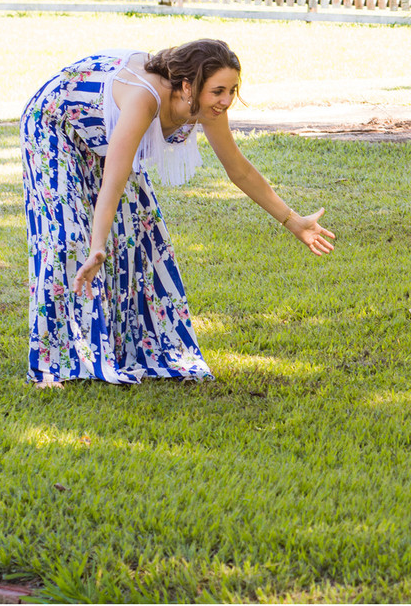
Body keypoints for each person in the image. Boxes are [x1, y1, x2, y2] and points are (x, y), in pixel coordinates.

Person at [21, 39, 335, 388]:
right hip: (54, 125)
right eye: (218, 91)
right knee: (66, 240)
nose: (227, 100)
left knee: (140, 233)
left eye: (232, 90)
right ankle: (50, 368)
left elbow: (239, 169)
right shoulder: (145, 100)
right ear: (188, 86)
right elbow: (113, 180)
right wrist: (97, 245)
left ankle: (128, 350)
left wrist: (294, 221)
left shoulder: (207, 107)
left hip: (105, 133)